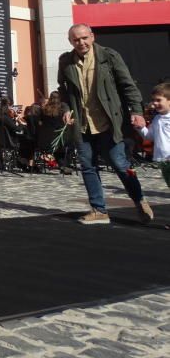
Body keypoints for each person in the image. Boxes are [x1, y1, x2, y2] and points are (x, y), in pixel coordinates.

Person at [57, 24, 153, 225]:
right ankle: (98, 210)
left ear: (92, 36)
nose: (81, 42)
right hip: (82, 124)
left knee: (120, 163)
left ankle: (139, 200)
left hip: (110, 122)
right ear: (70, 41)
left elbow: (128, 84)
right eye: (76, 40)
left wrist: (137, 111)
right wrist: (66, 109)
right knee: (88, 166)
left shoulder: (108, 56)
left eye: (84, 38)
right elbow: (63, 90)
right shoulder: (66, 61)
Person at [137, 82, 170, 162]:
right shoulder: (156, 119)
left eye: (158, 100)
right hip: (161, 158)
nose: (154, 103)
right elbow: (149, 136)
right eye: (153, 100)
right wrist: (140, 127)